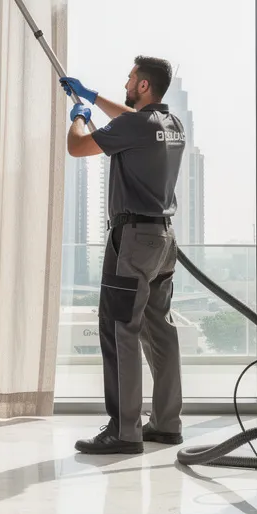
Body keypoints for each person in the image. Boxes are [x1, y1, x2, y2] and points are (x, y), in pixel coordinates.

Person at [61, 56, 187, 455]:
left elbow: (77, 147)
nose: (126, 83)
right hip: (164, 243)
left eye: (131, 79)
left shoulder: (134, 125)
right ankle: (167, 424)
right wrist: (93, 95)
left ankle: (124, 430)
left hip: (132, 241)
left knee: (120, 331)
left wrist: (80, 115)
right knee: (160, 331)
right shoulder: (172, 126)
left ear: (144, 86)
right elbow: (133, 119)